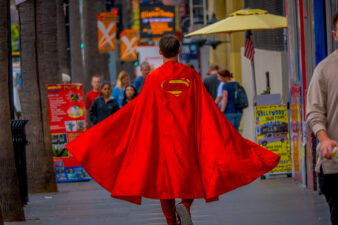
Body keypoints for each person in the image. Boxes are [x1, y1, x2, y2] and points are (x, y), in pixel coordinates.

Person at [66, 34, 280, 225]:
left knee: (164, 183)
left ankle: (171, 221)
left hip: (163, 140)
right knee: (193, 176)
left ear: (160, 52)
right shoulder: (192, 76)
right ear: (179, 51)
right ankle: (185, 205)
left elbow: (142, 110)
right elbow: (205, 107)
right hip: (187, 137)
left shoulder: (153, 79)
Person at [306, 11, 338, 225]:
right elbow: (314, 112)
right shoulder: (324, 69)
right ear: (335, 35)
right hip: (335, 165)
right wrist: (324, 138)